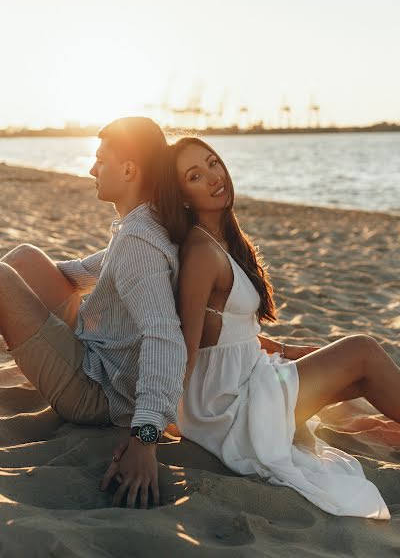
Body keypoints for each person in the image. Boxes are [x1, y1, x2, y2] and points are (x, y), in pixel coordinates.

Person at [149, 135, 395, 519]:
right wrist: (149, 433)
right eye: (195, 175)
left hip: (248, 381)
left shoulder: (223, 240)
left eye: (213, 163)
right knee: (362, 349)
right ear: (182, 196)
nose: (214, 177)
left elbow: (232, 334)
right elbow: (187, 348)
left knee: (355, 373)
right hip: (230, 407)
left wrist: (288, 351)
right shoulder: (200, 252)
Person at [0, 117, 187, 510]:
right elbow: (88, 271)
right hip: (99, 363)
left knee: (0, 278)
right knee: (25, 259)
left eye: (100, 160)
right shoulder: (142, 222)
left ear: (129, 169)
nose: (91, 169)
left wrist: (145, 438)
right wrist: (29, 283)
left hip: (97, 395)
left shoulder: (140, 242)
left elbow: (163, 335)